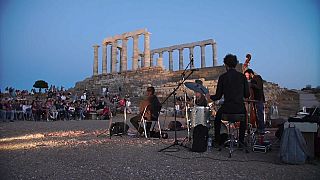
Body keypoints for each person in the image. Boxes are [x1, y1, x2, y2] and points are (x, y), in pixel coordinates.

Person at [206, 54, 250, 147]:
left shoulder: (223, 77)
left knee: (217, 118)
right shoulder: (242, 77)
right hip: (239, 108)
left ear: (226, 65)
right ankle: (241, 141)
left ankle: (218, 140)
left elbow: (218, 96)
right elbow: (247, 95)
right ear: (235, 64)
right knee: (244, 117)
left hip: (227, 109)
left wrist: (210, 96)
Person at [244, 69, 265, 133]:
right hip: (254, 99)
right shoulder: (252, 81)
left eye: (246, 75)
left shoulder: (258, 77)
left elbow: (259, 87)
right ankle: (258, 129)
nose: (246, 77)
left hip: (259, 99)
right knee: (256, 115)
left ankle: (262, 129)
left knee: (260, 114)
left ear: (250, 73)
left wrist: (251, 84)